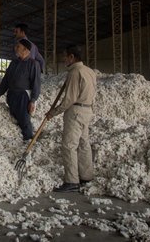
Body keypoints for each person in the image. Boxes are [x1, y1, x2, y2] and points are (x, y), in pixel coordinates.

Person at [46, 45, 97, 192]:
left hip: (75, 111)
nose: (63, 59)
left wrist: (53, 112)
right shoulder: (89, 71)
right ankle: (86, 177)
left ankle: (72, 181)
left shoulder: (75, 72)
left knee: (69, 145)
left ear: (72, 57)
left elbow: (69, 99)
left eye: (65, 56)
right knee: (84, 144)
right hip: (87, 110)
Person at [0, 38, 41, 140]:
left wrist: (33, 100)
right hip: (12, 94)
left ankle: (28, 138)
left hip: (23, 96)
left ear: (25, 50)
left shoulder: (33, 64)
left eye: (18, 47)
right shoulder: (14, 63)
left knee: (24, 119)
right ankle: (18, 137)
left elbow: (36, 84)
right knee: (14, 117)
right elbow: (6, 80)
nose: (15, 48)